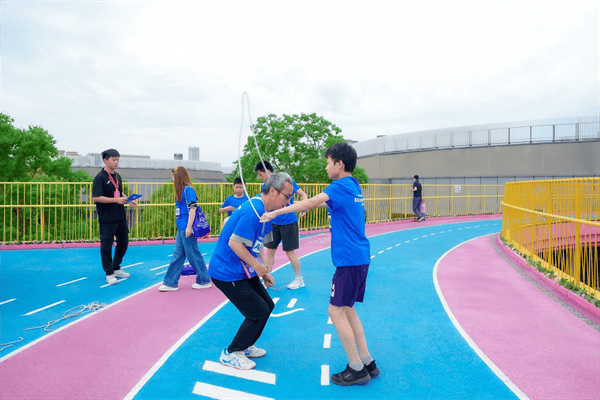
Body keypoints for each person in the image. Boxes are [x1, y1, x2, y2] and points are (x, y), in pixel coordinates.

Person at [261, 143, 379, 386]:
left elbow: (311, 202)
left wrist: (276, 212)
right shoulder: (353, 186)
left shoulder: (340, 186)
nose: (326, 167)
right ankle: (367, 362)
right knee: (347, 309)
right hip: (359, 257)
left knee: (335, 311)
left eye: (328, 162)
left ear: (340, 164)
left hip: (348, 260)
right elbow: (322, 203)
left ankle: (356, 368)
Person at [209, 172, 295, 370]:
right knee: (258, 311)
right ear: (273, 191)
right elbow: (234, 243)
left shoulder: (267, 212)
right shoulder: (254, 209)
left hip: (242, 270)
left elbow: (257, 245)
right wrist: (257, 267)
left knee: (267, 305)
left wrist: (264, 271)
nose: (288, 201)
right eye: (286, 196)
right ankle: (231, 353)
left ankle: (246, 345)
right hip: (226, 271)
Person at [255, 161, 308, 290]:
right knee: (270, 251)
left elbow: (303, 195)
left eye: (261, 174)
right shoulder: (265, 186)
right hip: (272, 223)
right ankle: (267, 278)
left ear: (268, 171)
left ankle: (299, 278)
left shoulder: (286, 182)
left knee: (290, 252)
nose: (260, 177)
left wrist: (304, 207)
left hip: (288, 222)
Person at [158, 166, 212, 292]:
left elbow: (192, 209)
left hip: (186, 228)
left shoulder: (188, 190)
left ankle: (204, 279)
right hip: (182, 228)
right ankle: (171, 282)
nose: (172, 178)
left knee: (193, 254)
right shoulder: (181, 191)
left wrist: (189, 227)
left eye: (173, 176)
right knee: (178, 255)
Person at [92, 149, 138, 285]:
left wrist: (128, 199)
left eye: (117, 159)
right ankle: (109, 273)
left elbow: (118, 192)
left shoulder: (117, 176)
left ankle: (116, 267)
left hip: (120, 216)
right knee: (106, 246)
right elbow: (96, 197)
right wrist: (115, 200)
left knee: (123, 242)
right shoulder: (99, 177)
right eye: (113, 159)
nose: (116, 162)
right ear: (105, 160)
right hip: (107, 218)